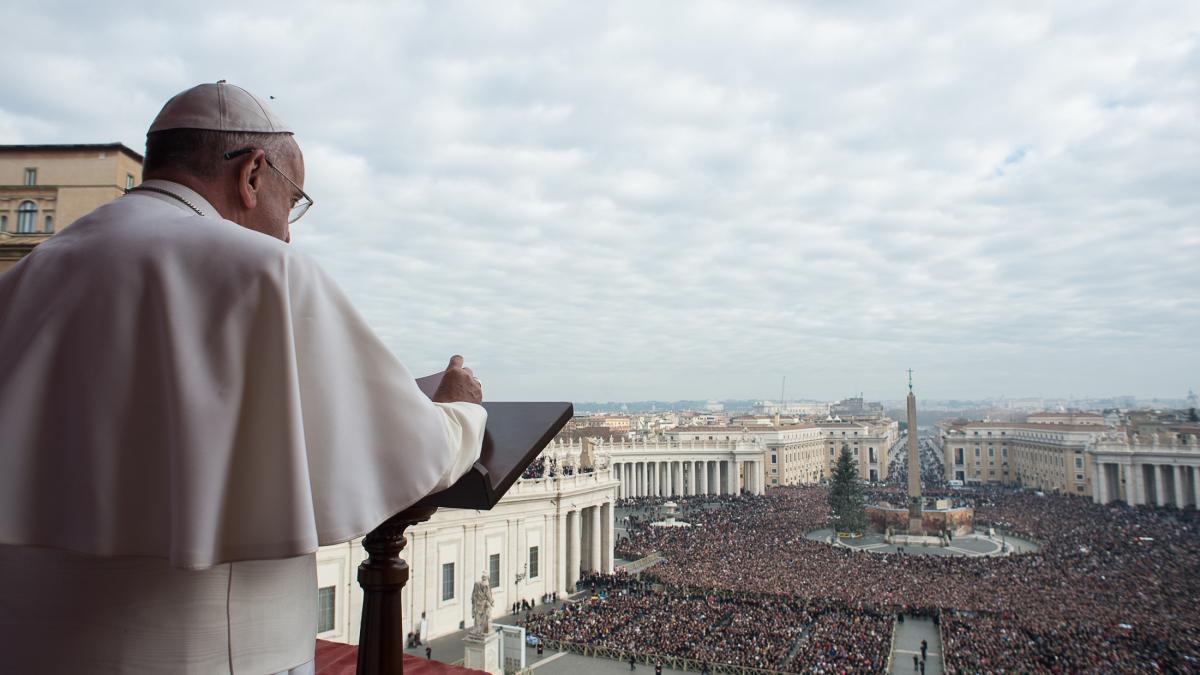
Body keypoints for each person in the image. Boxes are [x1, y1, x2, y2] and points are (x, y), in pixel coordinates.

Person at [0, 82, 487, 674]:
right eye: (294, 200)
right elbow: (409, 450)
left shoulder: (28, 274)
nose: (288, 230)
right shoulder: (266, 272)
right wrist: (459, 411)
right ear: (253, 174)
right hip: (213, 654)